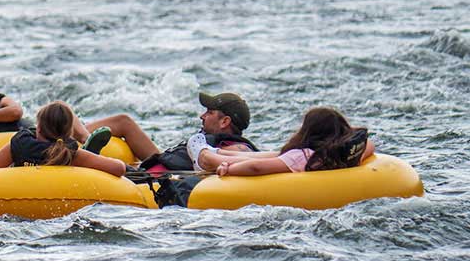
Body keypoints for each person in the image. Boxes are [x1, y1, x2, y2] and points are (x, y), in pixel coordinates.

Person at [196, 107, 374, 177]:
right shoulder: (344, 153)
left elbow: (256, 167)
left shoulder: (304, 156)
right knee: (281, 155)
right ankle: (220, 153)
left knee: (278, 157)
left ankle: (210, 157)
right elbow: (369, 145)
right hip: (303, 162)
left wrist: (229, 170)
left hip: (289, 170)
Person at [0, 101, 126, 176]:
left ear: (38, 128)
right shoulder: (70, 153)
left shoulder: (20, 145)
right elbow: (119, 168)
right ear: (69, 133)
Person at [139, 92, 260, 174]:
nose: (202, 116)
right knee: (124, 121)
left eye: (210, 112)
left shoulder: (236, 148)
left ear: (224, 122)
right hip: (145, 174)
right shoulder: (207, 141)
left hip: (151, 185)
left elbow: (249, 159)